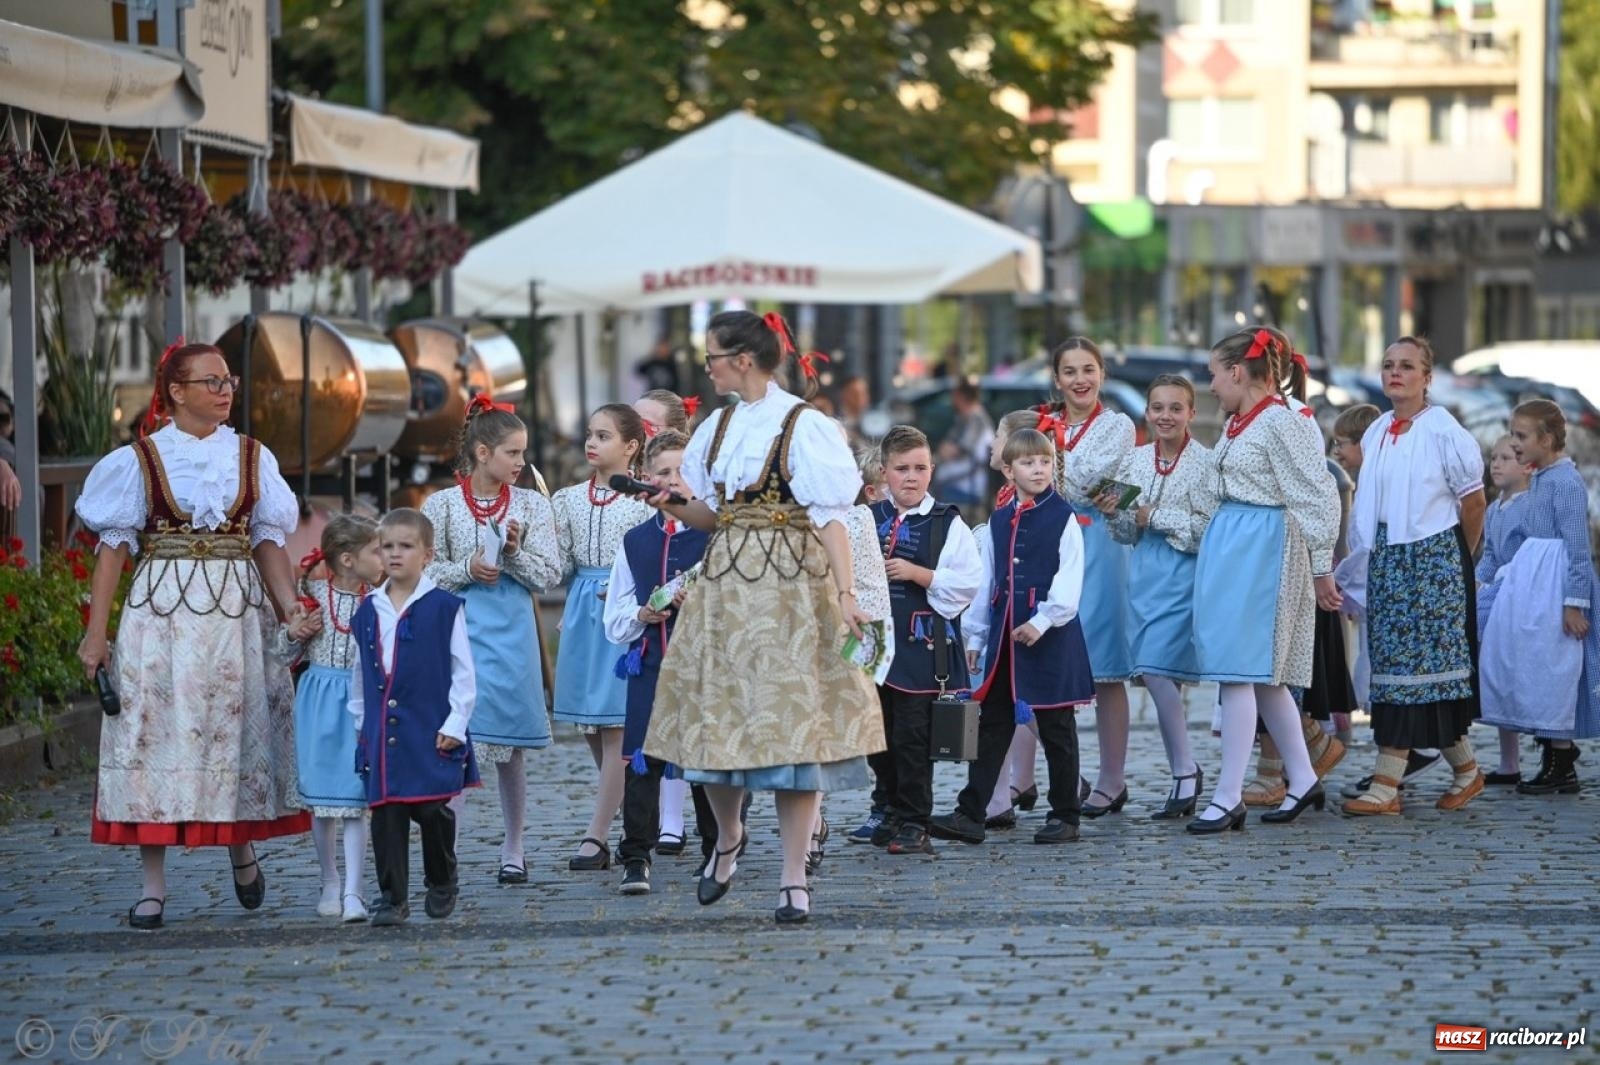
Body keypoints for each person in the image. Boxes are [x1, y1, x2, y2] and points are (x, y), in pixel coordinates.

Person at [640, 310, 884, 925]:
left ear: (742, 360)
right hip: (726, 586)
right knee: (718, 723)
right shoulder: (717, 427)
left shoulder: (805, 425)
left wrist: (848, 594)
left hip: (792, 590)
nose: (708, 366)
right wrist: (672, 503)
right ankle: (728, 837)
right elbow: (711, 517)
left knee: (793, 731)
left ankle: (794, 877)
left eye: (713, 356)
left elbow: (831, 517)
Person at [75, 341, 308, 931]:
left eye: (228, 380)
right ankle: (152, 887)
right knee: (152, 733)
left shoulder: (253, 456)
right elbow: (112, 551)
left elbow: (269, 541)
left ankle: (240, 845)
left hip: (235, 611)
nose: (225, 390)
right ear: (176, 392)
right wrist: (95, 635)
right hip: (161, 612)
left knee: (235, 726)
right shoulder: (139, 460)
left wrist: (289, 611)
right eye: (211, 381)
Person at [1189, 327, 1340, 833]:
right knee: (1262, 675)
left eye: (1213, 374)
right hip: (1238, 544)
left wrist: (1321, 566)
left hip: (1264, 546)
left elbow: (1316, 494)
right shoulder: (1239, 423)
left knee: (1239, 670)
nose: (1210, 385)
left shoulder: (1282, 422)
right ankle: (1301, 776)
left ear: (1237, 371)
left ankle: (1228, 795)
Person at [1340, 336, 1487, 816]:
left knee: (1422, 673)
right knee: (1400, 673)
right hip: (1388, 563)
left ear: (1427, 376)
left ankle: (1386, 784)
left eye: (1406, 365)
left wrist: (1456, 558)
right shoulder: (1378, 429)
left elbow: (1473, 502)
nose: (1394, 373)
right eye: (1387, 365)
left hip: (1432, 564)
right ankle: (1467, 770)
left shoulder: (1444, 430)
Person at [928, 427, 1095, 845]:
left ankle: (1065, 813)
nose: (1038, 469)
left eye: (1045, 462)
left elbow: (1070, 579)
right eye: (1028, 462)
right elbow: (987, 583)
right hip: (1006, 640)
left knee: (1057, 725)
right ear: (1008, 470)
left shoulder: (1063, 516)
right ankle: (972, 812)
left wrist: (1043, 621)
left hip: (1050, 636)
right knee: (994, 724)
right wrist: (975, 638)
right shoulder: (999, 521)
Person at [421, 398, 561, 885]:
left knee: (510, 743)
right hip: (458, 627)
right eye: (512, 452)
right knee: (453, 735)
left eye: (523, 452)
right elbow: (422, 573)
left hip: (512, 629)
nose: (521, 462)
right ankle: (447, 847)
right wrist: (465, 568)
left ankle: (514, 843)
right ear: (482, 453)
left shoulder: (531, 504)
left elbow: (549, 574)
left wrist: (515, 554)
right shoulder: (439, 505)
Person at [349, 509, 479, 926]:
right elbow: (360, 674)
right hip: (383, 735)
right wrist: (361, 725)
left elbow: (464, 672)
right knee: (387, 814)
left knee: (431, 811)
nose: (394, 554)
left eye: (405, 546)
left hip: (432, 728)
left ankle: (442, 879)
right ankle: (392, 898)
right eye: (387, 547)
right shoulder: (367, 609)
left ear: (427, 554)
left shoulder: (444, 607)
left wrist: (456, 723)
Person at [605, 430, 716, 895]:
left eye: (684, 473)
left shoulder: (715, 535)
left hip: (705, 667)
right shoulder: (634, 541)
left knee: (707, 759)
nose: (674, 482)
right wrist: (641, 614)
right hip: (650, 663)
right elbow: (615, 615)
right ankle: (636, 856)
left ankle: (717, 850)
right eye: (664, 473)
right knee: (641, 761)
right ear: (646, 479)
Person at [1096, 375, 1211, 819]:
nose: (1165, 416)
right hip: (1142, 579)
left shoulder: (1205, 463)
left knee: (1157, 671)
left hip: (1185, 579)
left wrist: (1155, 516)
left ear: (1191, 414)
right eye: (1157, 407)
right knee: (1156, 675)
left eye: (1175, 408)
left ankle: (1186, 770)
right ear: (1147, 412)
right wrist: (1117, 514)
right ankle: (1183, 772)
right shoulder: (1133, 461)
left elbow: (1207, 529)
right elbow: (1124, 532)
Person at [870, 426, 983, 854]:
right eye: (902, 470)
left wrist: (921, 574)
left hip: (922, 649)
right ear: (885, 473)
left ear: (932, 471)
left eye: (920, 468)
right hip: (874, 646)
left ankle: (915, 821)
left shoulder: (947, 523)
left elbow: (967, 583)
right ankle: (892, 808)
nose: (911, 477)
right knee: (876, 737)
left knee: (912, 739)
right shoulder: (870, 518)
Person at [552, 404, 654, 870]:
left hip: (623, 611)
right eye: (590, 434)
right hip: (580, 611)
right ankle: (622, 809)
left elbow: (655, 555)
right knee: (591, 725)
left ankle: (596, 836)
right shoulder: (568, 499)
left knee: (617, 725)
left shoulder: (644, 499)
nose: (592, 443)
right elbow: (558, 564)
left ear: (631, 447)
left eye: (605, 436)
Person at [1480, 400, 1599, 794]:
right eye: (1512, 434)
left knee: (1556, 670)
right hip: (1533, 583)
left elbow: (1577, 547)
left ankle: (1561, 762)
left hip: (1555, 585)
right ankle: (1552, 755)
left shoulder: (1564, 482)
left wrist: (1574, 602)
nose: (1515, 444)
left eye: (1521, 436)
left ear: (1546, 439)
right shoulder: (1542, 477)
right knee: (1537, 666)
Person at [1040, 337, 1135, 818]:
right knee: (1040, 659)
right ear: (1056, 378)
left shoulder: (1116, 425)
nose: (1080, 380)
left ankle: (1112, 778)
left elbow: (1090, 483)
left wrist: (1047, 462)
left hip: (1098, 543)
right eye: (1070, 371)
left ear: (1102, 374)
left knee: (1104, 666)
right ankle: (1065, 772)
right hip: (1046, 540)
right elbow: (1012, 467)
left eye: (1089, 369)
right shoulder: (1041, 423)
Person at [278, 516, 385, 922]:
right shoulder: (311, 598)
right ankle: (330, 881)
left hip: (361, 703)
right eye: (375, 551)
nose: (383, 558)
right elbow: (282, 655)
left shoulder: (378, 600)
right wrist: (296, 633)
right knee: (323, 802)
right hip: (319, 703)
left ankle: (356, 891)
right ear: (347, 559)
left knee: (357, 800)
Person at [976, 410, 1043, 829]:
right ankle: (1000, 795)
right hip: (1001, 610)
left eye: (997, 435)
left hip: (1023, 614)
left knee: (1025, 702)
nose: (990, 443)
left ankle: (1066, 778)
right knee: (1007, 704)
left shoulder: (1028, 499)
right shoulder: (1004, 496)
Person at [1473, 434, 1533, 786]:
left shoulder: (1532, 506)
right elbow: (1490, 555)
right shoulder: (1494, 508)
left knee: (1526, 675)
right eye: (1493, 458)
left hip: (1523, 596)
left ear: (1527, 465)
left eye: (1505, 458)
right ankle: (1509, 762)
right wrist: (1480, 582)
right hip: (1496, 597)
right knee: (1498, 674)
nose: (1495, 464)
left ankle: (1555, 747)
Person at [934, 380, 995, 508]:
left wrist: (945, 452)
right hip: (959, 476)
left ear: (961, 396)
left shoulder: (977, 419)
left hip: (967, 482)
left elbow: (962, 448)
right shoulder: (964, 418)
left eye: (954, 394)